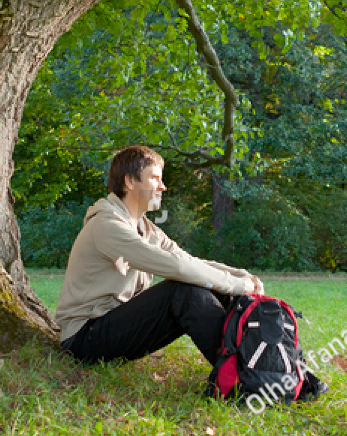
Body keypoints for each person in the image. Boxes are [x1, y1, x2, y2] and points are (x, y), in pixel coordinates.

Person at [57, 145, 264, 367]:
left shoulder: (146, 229)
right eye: (155, 178)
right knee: (183, 290)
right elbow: (177, 267)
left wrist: (244, 277)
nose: (163, 187)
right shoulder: (107, 225)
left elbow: (188, 261)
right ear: (129, 181)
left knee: (212, 288)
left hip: (115, 326)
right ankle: (241, 375)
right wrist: (237, 284)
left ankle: (260, 364)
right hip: (84, 338)